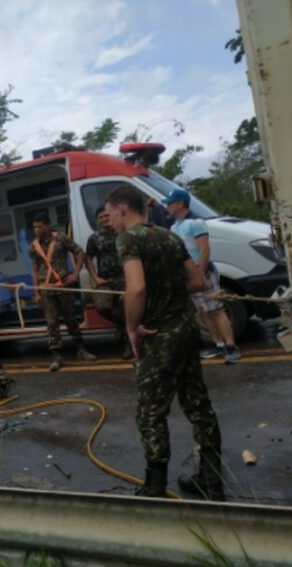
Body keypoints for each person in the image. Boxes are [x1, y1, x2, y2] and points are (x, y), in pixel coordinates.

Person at [104, 186, 224, 500]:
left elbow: (137, 288)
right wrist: (170, 290)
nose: (109, 221)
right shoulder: (170, 236)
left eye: (110, 214)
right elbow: (197, 281)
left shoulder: (128, 240)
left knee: (150, 410)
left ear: (123, 210)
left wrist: (132, 327)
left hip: (158, 336)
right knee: (198, 404)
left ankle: (155, 485)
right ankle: (211, 478)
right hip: (186, 328)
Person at [162, 189, 242, 364]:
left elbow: (204, 249)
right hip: (189, 274)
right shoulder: (174, 226)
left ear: (180, 204)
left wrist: (201, 273)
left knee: (215, 309)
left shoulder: (196, 222)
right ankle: (218, 344)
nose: (167, 206)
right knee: (202, 311)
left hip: (203, 272)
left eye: (170, 203)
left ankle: (231, 346)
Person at [29, 213, 97, 372]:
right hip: (46, 289)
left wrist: (75, 274)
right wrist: (37, 292)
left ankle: (81, 349)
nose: (37, 230)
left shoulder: (61, 238)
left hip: (63, 286)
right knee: (51, 322)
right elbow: (35, 270)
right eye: (35, 227)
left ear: (47, 225)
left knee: (70, 318)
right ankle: (56, 356)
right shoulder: (33, 247)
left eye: (40, 226)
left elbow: (80, 253)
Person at [85, 207, 132, 360]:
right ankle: (121, 324)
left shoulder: (122, 233)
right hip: (104, 280)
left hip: (124, 278)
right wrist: (95, 278)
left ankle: (129, 343)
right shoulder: (94, 238)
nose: (104, 219)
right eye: (101, 217)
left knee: (127, 306)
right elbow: (88, 259)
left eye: (106, 216)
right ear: (97, 220)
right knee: (102, 306)